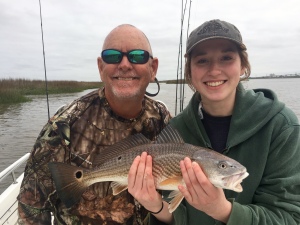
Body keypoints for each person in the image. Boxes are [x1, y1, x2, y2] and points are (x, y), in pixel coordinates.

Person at [128, 19, 300, 224]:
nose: (214, 70)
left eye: (226, 58)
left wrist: (223, 210)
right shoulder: (177, 128)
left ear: (243, 65)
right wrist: (155, 206)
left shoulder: (281, 126)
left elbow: (290, 217)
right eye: (202, 60)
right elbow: (174, 213)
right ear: (189, 72)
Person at [17, 24, 171, 225]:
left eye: (138, 56)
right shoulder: (65, 125)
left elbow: (175, 205)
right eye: (113, 56)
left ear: (153, 68)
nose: (124, 64)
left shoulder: (162, 118)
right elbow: (32, 210)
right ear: (100, 67)